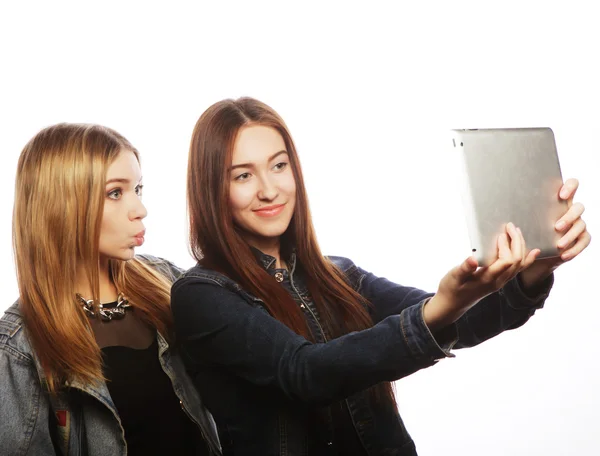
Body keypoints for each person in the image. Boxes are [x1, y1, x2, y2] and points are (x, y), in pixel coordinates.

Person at [171, 97, 591, 456]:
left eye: (279, 166)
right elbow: (306, 374)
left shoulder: (338, 273)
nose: (269, 189)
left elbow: (466, 323)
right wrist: (441, 306)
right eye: (243, 175)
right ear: (212, 189)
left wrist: (534, 270)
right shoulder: (200, 295)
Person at [0, 124, 221, 456]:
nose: (140, 210)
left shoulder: (169, 282)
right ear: (61, 205)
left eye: (138, 189)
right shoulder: (20, 348)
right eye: (115, 193)